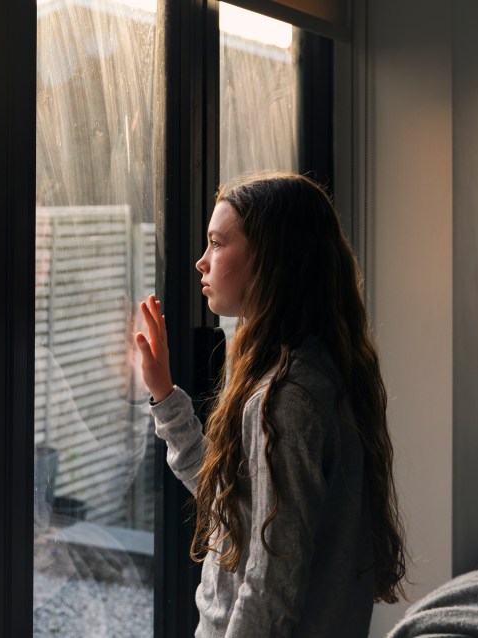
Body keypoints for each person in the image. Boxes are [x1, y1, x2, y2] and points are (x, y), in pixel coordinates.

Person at [134, 171, 407, 637]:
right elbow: (231, 503)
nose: (201, 262)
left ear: (272, 260)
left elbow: (269, 586)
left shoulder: (288, 399)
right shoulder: (316, 371)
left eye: (218, 244)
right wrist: (165, 396)